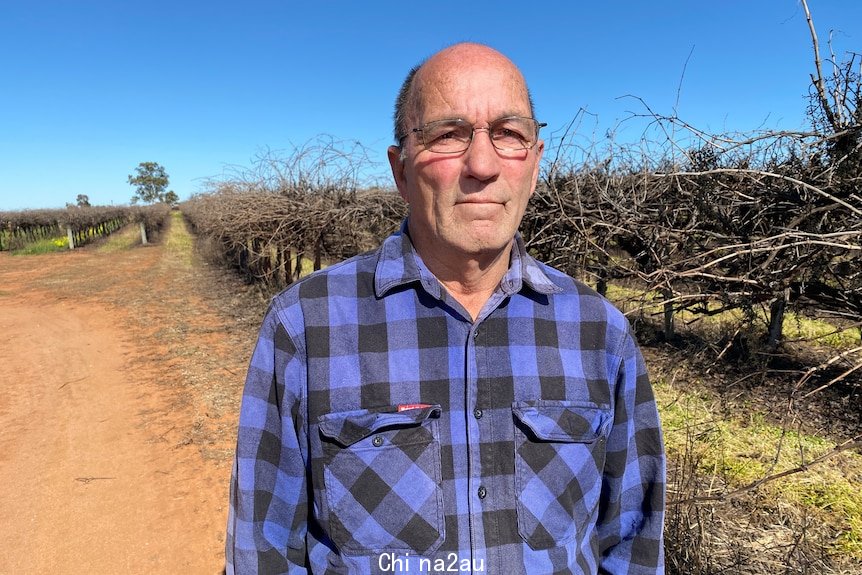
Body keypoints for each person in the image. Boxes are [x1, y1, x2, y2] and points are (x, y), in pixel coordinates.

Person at [226, 42, 665, 574]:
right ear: (401, 171)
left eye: (509, 134)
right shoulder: (305, 326)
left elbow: (633, 546)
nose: (482, 164)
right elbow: (262, 552)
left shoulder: (600, 332)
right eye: (448, 135)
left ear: (534, 164)